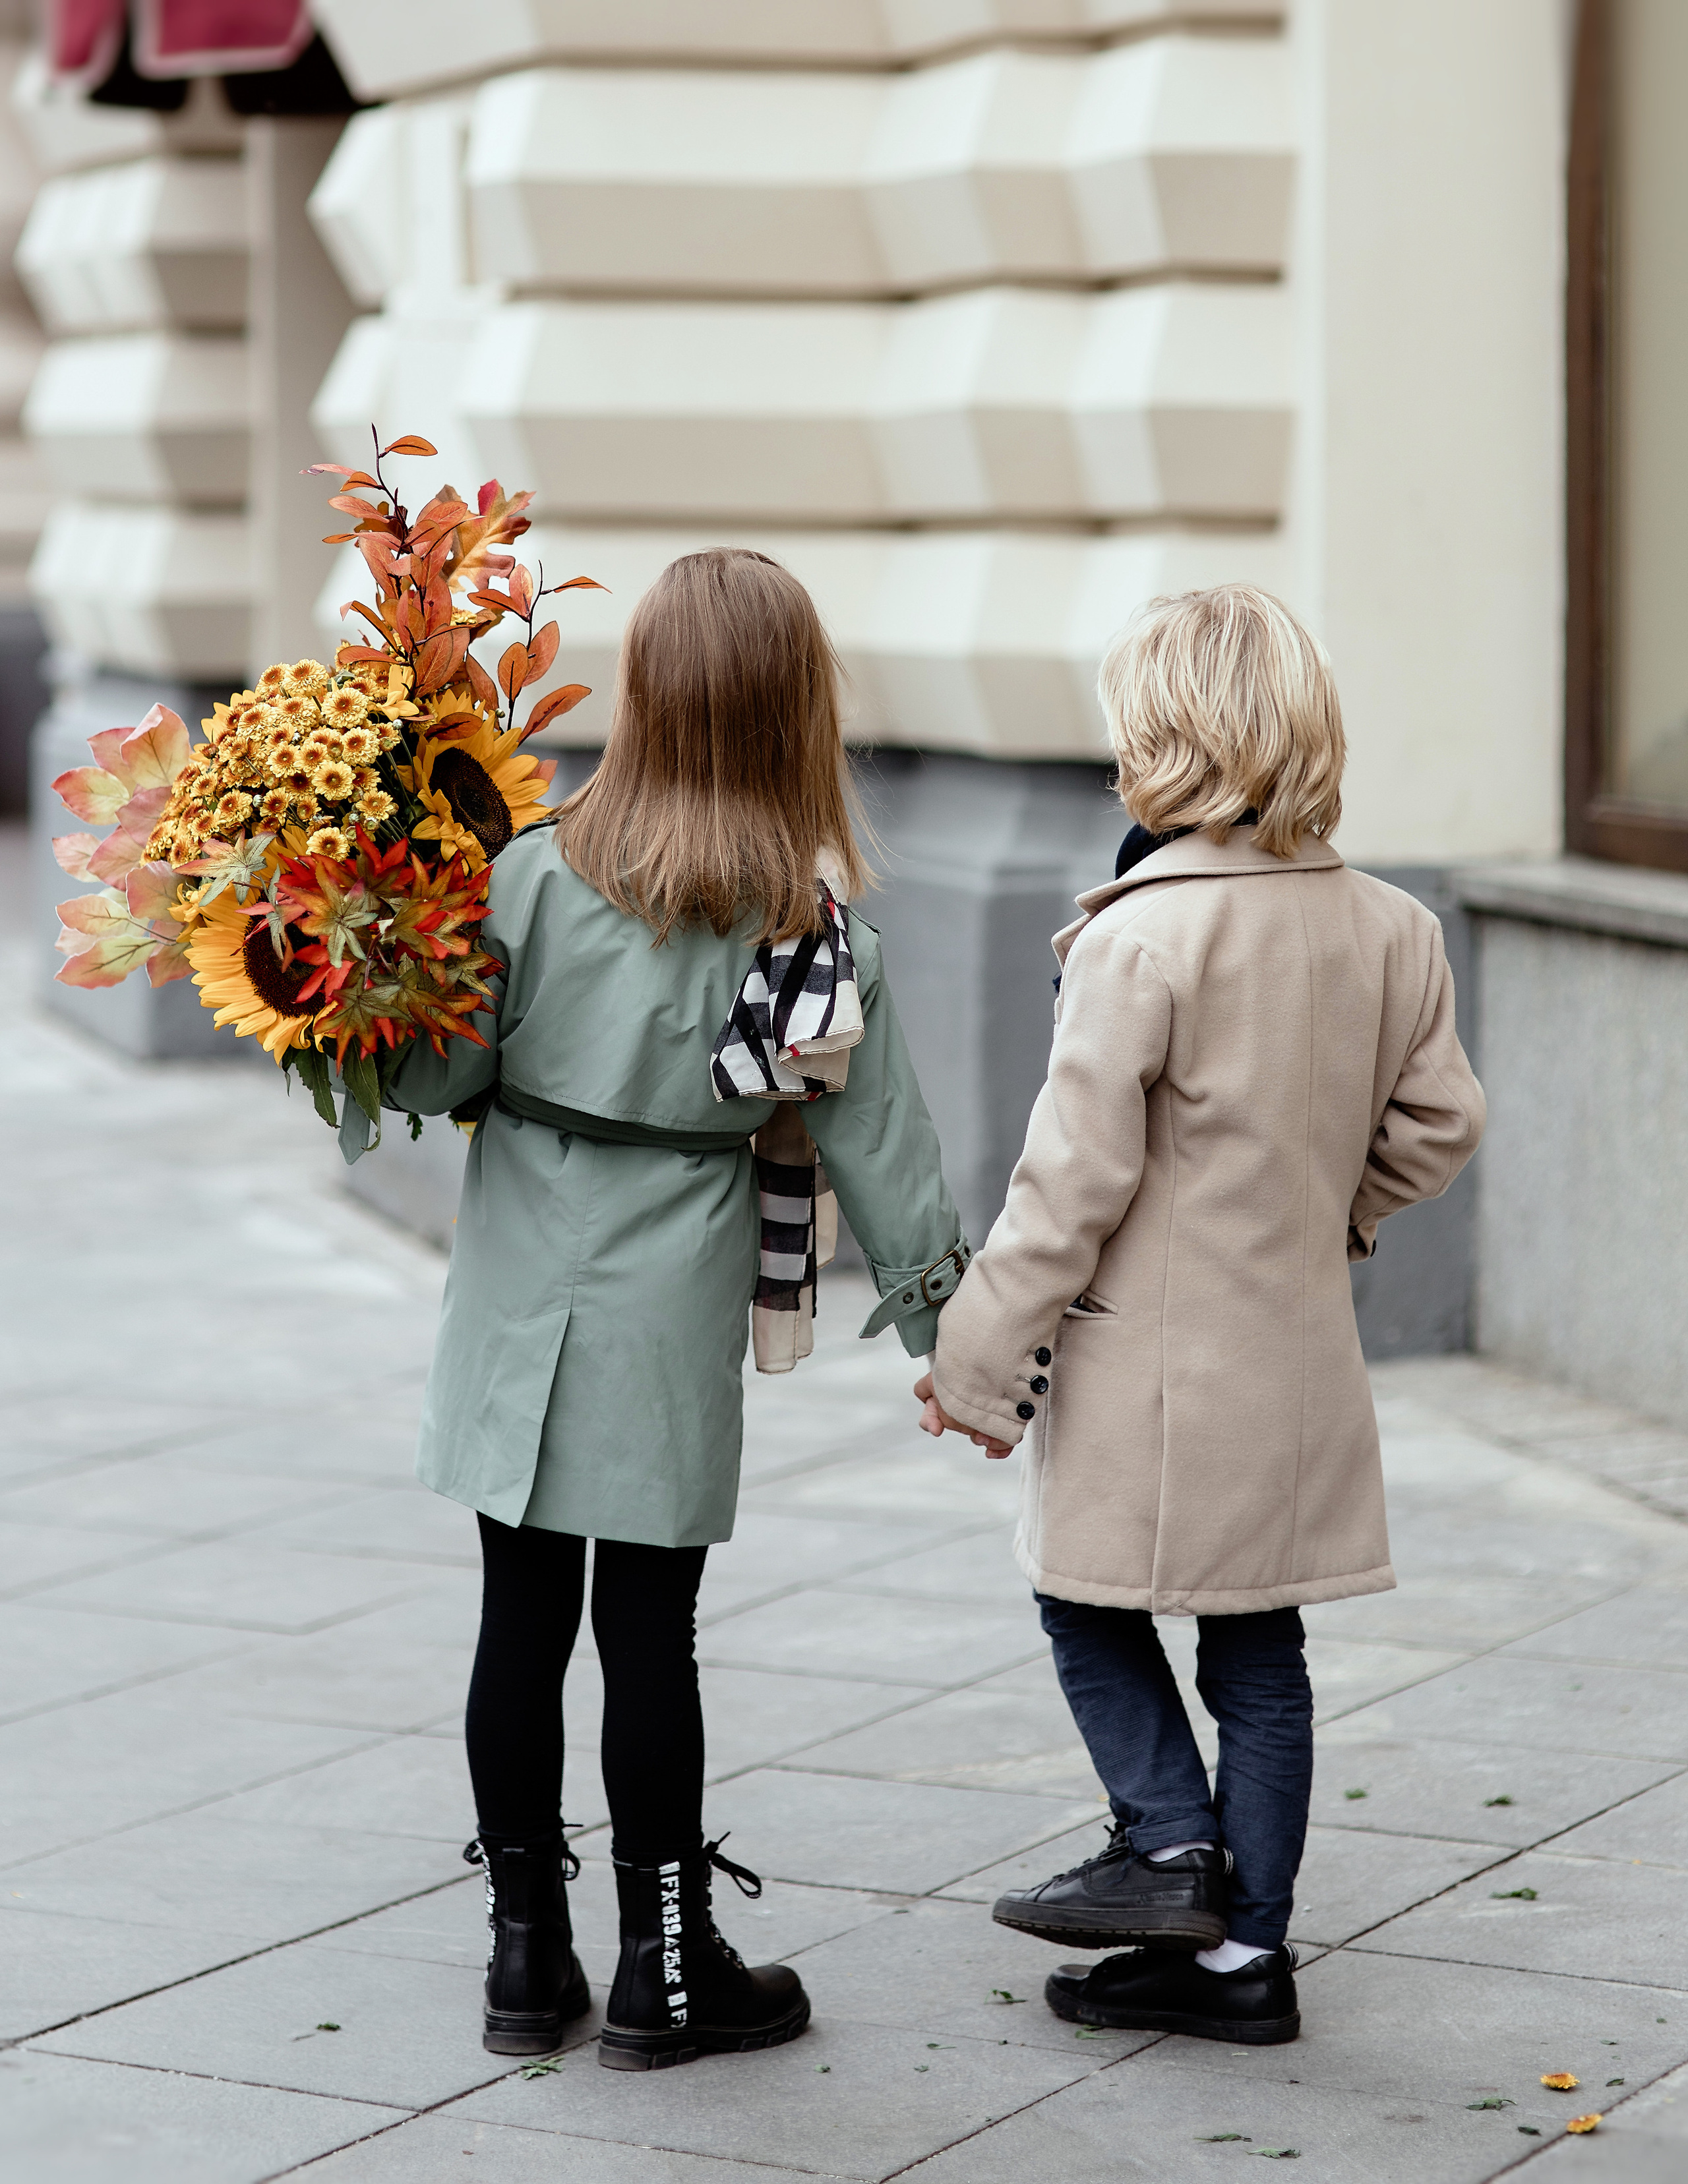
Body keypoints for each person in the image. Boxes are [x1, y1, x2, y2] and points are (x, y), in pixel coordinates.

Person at [388, 548, 965, 2069]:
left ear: (639, 693)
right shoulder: (807, 923)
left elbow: (433, 1076)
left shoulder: (523, 870)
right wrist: (958, 1342)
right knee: (651, 1629)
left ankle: (526, 1952)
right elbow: (880, 1145)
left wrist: (372, 973)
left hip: (519, 1276)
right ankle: (665, 1968)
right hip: (671, 1286)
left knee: (520, 1613)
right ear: (795, 711)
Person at [915, 583, 1484, 2046]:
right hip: (1292, 1352)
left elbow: (1068, 1180)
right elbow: (1437, 1123)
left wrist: (975, 1353)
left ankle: (1169, 1849)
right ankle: (1246, 1961)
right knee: (1258, 1645)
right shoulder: (1389, 927)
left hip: (1144, 1365)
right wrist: (1333, 1216)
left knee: (1080, 1596)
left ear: (1160, 740)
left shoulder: (1140, 938)